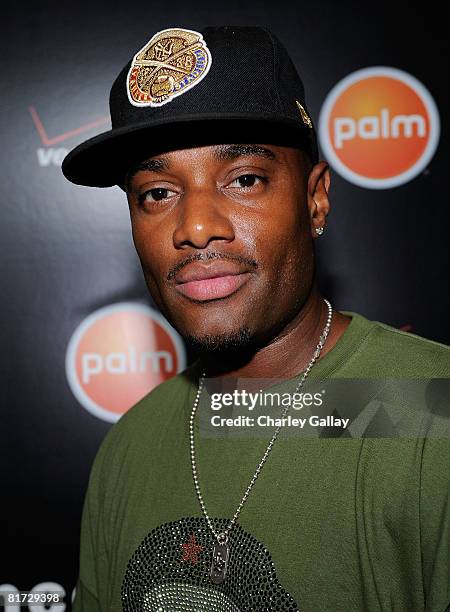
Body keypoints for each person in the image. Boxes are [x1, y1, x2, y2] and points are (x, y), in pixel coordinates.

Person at [62, 26, 450, 612]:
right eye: (157, 192)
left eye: (244, 180)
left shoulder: (428, 408)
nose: (195, 226)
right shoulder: (129, 448)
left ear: (316, 199)